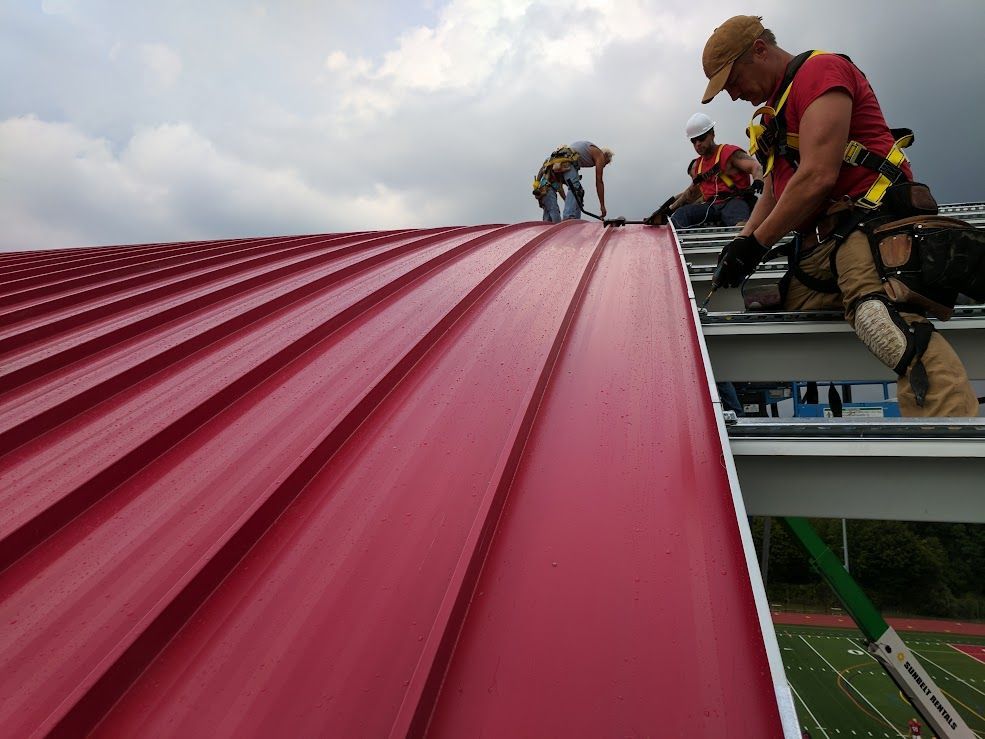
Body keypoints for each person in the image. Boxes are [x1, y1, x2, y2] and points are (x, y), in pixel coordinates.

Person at [701, 15, 977, 417]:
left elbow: (817, 175)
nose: (733, 94)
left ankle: (952, 436)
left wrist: (759, 245)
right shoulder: (774, 113)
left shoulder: (820, 71)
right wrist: (743, 241)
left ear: (759, 50)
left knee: (880, 320)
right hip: (825, 240)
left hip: (869, 224)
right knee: (778, 308)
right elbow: (776, 189)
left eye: (733, 80)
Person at [667, 113, 763, 229]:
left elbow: (755, 166)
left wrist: (758, 180)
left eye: (701, 138)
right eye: (693, 141)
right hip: (710, 206)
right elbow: (689, 193)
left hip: (734, 201)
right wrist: (668, 210)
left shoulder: (728, 153)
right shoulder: (697, 166)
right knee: (681, 215)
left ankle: (742, 241)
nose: (698, 144)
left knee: (740, 225)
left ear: (712, 134)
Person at [532, 141, 612, 222]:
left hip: (560, 162)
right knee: (575, 188)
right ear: (605, 156)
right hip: (567, 162)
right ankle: (569, 217)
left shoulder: (585, 149)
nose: (603, 166)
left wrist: (537, 183)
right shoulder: (600, 155)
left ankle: (569, 217)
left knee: (578, 191)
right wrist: (602, 205)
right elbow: (599, 181)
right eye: (605, 163)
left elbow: (544, 170)